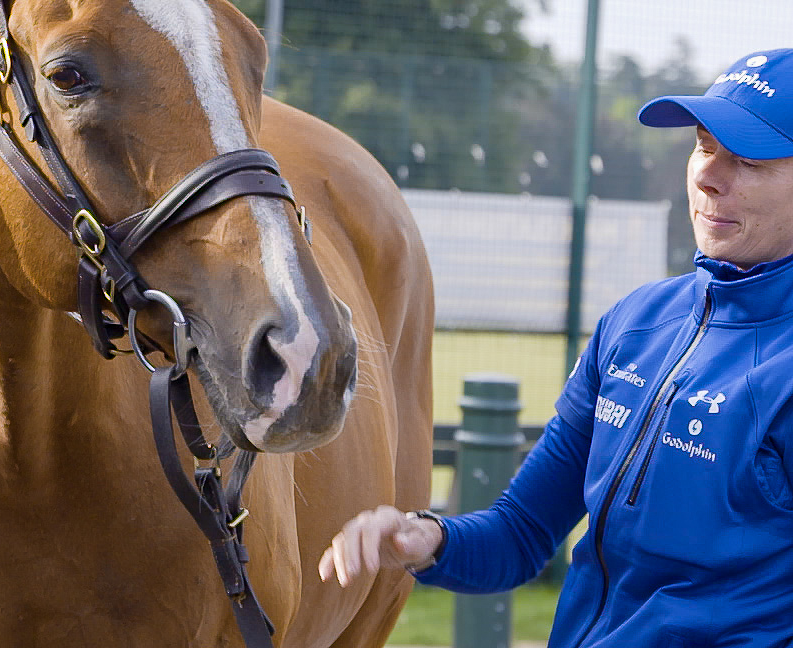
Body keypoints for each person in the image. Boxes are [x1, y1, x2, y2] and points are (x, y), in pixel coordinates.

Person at [320, 48, 793, 648]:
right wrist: (427, 538)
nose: (708, 174)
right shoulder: (636, 323)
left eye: (747, 158)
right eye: (704, 145)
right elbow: (520, 534)